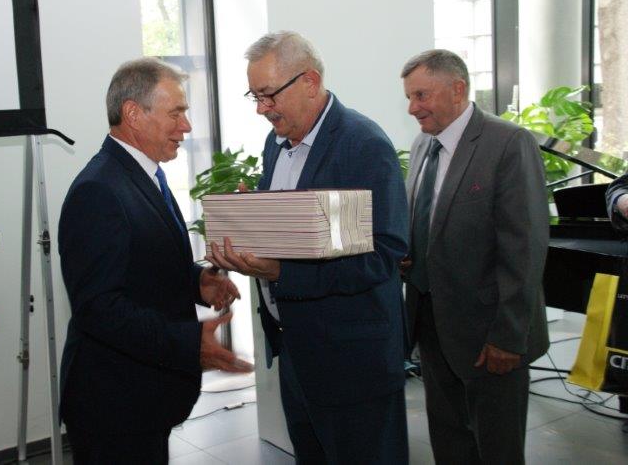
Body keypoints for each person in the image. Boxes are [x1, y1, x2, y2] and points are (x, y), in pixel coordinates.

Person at [209, 30, 410, 464]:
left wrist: (282, 272)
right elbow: (298, 234)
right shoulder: (275, 145)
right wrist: (252, 224)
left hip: (353, 362)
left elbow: (382, 255)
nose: (261, 109)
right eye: (255, 96)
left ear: (310, 82)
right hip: (297, 354)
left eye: (268, 95)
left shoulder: (363, 145)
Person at [57, 57, 253, 464]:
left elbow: (140, 264)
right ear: (133, 113)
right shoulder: (98, 191)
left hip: (140, 399)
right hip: (114, 406)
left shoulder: (141, 174)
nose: (187, 126)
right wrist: (189, 343)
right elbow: (98, 308)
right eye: (176, 113)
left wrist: (196, 281)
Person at [401, 49, 549, 464]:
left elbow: (525, 248)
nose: (412, 108)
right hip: (432, 324)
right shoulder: (422, 146)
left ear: (458, 89)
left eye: (421, 95)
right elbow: (430, 226)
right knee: (448, 440)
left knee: (498, 448)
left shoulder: (508, 143)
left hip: (490, 335)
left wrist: (508, 336)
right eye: (409, 97)